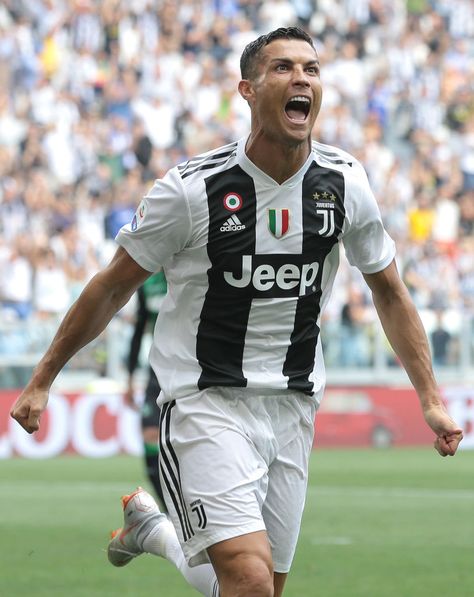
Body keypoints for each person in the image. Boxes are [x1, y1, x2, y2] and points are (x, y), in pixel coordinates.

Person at [10, 27, 463, 597]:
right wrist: (43, 379)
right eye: (282, 68)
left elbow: (390, 291)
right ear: (247, 90)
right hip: (206, 400)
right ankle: (157, 530)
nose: (301, 78)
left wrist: (431, 398)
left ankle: (153, 532)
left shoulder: (344, 184)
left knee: (258, 587)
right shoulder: (192, 191)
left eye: (311, 69)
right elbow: (109, 287)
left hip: (294, 406)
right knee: (249, 581)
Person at [125, 271, 168, 509]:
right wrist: (130, 376)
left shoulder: (191, 268)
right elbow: (139, 327)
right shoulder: (148, 282)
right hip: (157, 370)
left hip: (193, 368)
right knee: (150, 436)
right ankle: (172, 513)